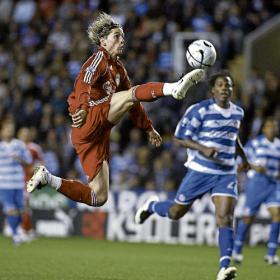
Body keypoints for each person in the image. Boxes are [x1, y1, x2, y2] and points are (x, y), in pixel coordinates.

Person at [26, 12, 205, 207]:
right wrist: (84, 108)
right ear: (103, 41)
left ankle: (48, 178)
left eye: (123, 37)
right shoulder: (98, 59)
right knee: (130, 94)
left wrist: (147, 128)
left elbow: (133, 102)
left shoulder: (119, 70)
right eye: (116, 36)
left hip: (97, 134)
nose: (122, 40)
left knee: (99, 197)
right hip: (88, 118)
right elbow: (83, 83)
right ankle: (173, 87)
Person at [135, 71, 250, 280]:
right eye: (221, 85)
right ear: (213, 90)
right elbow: (179, 138)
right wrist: (202, 148)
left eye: (229, 85)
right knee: (175, 213)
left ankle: (224, 268)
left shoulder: (238, 113)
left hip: (226, 172)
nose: (225, 88)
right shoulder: (199, 110)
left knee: (225, 218)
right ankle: (151, 206)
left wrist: (244, 158)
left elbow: (234, 138)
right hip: (201, 170)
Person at [232, 117, 280, 265]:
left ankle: (271, 254)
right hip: (257, 183)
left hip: (273, 184)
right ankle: (237, 250)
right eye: (269, 126)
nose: (272, 129)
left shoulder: (279, 145)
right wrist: (254, 166)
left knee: (277, 215)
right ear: (264, 129)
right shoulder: (255, 144)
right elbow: (241, 162)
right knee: (248, 218)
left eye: (274, 126)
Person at [0, 121, 32, 245]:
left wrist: (19, 159)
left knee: (20, 210)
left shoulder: (19, 145)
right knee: (10, 210)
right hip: (4, 184)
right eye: (7, 129)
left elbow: (28, 161)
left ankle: (16, 230)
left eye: (11, 129)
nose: (9, 131)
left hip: (18, 183)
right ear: (2, 132)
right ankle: (15, 235)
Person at [17, 127, 44, 241]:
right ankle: (26, 229)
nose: (25, 135)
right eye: (23, 133)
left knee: (25, 205)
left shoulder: (35, 148)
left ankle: (24, 230)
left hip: (28, 180)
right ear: (19, 135)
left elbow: (42, 162)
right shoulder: (15, 147)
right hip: (14, 179)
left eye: (27, 133)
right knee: (21, 206)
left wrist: (35, 170)